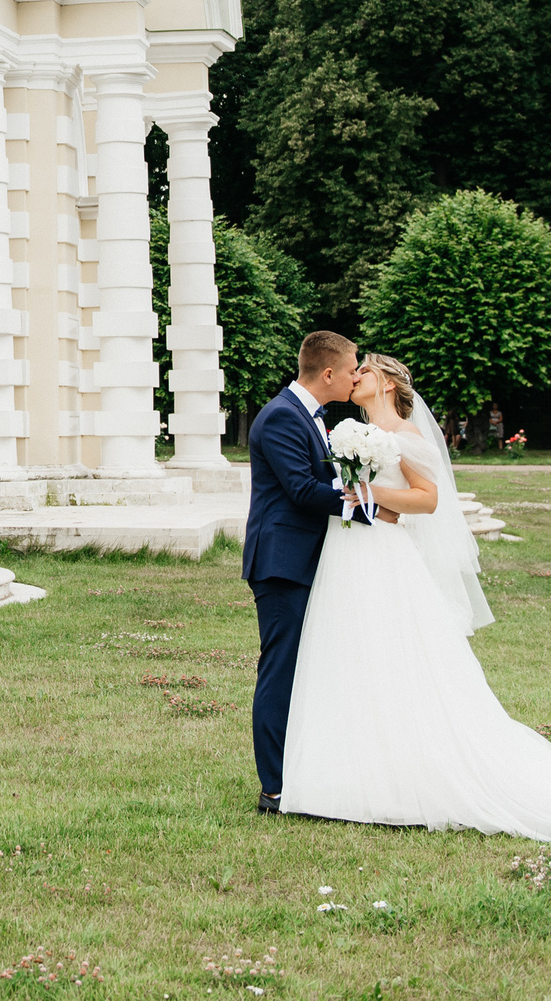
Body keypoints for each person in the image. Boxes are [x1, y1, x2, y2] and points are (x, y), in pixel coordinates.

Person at [275, 353, 551, 840]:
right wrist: (357, 492)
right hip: (350, 552)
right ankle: (347, 775)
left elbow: (428, 499)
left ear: (387, 383)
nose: (356, 376)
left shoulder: (404, 435)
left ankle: (403, 777)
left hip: (385, 557)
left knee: (395, 658)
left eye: (364, 369)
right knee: (351, 656)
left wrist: (368, 492)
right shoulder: (351, 430)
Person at [242, 330, 386, 817]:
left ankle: (304, 772)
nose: (354, 378)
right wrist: (367, 507)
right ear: (328, 373)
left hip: (306, 559)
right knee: (280, 672)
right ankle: (275, 788)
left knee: (307, 670)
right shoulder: (282, 416)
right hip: (281, 562)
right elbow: (303, 490)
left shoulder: (312, 416)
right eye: (350, 371)